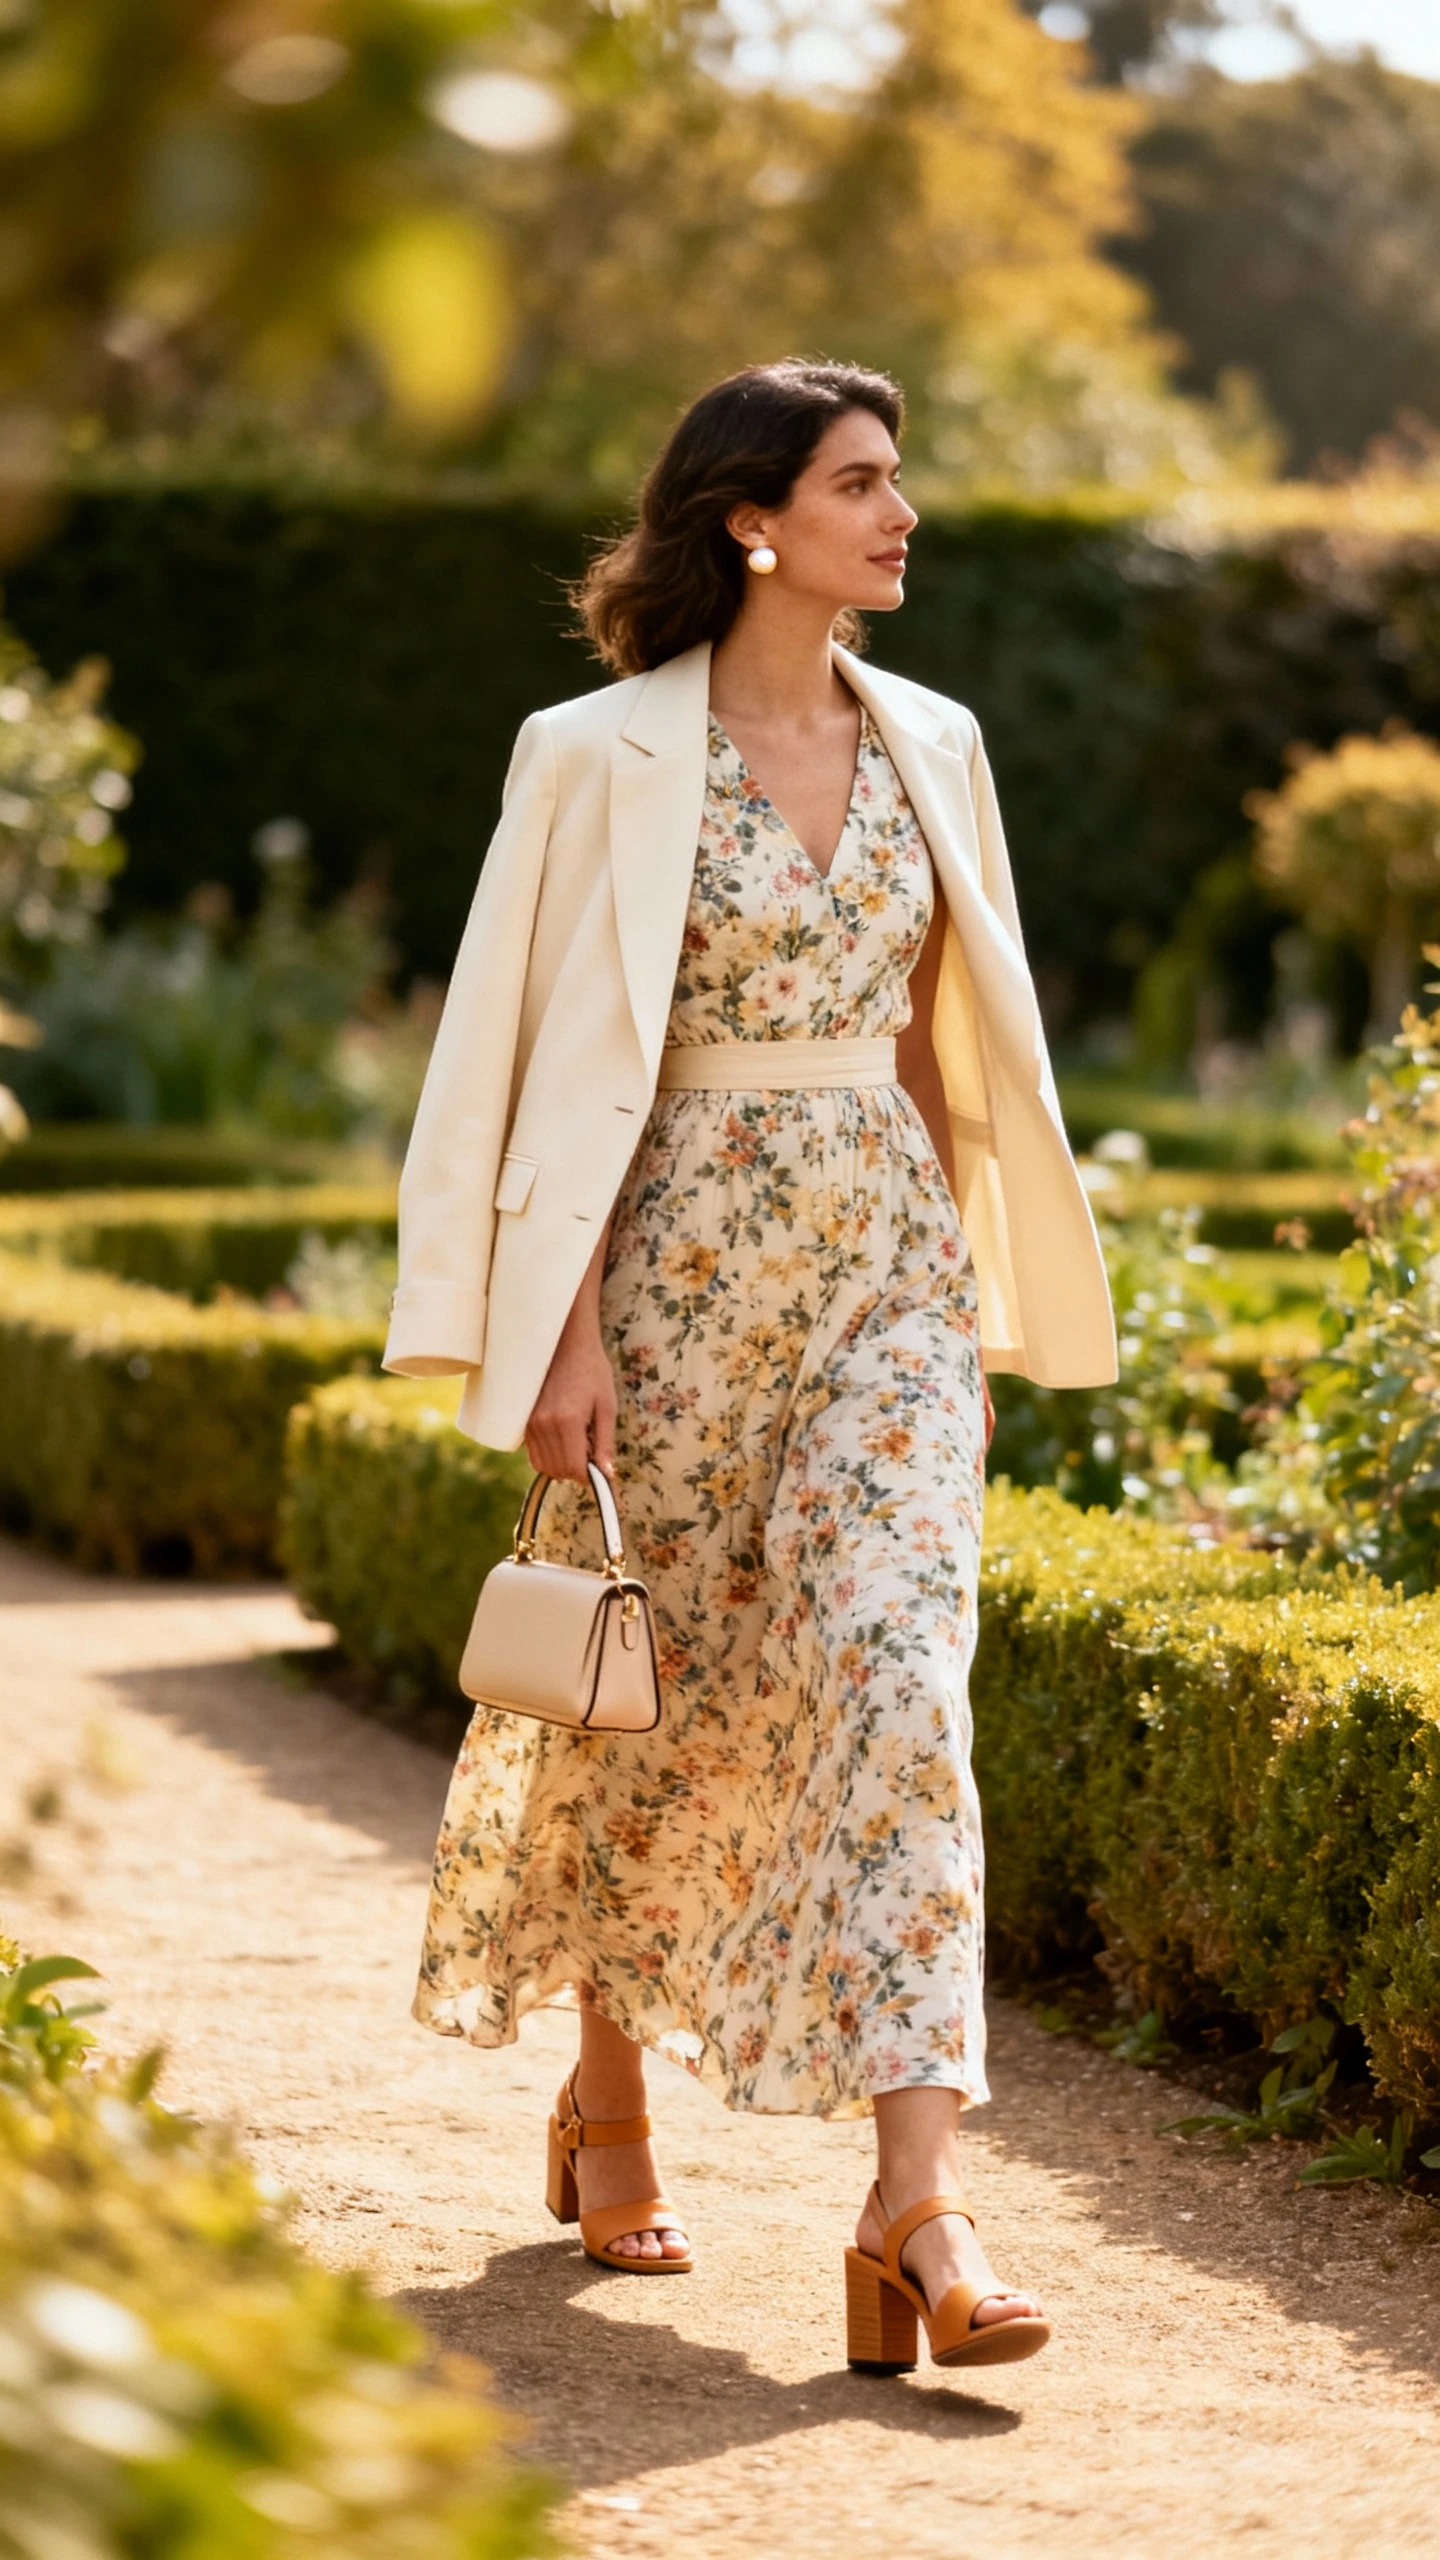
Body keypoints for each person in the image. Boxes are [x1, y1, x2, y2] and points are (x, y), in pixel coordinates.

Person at [384, 359, 1116, 2372]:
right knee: (656, 1697)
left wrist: (952, 1278)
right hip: (675, 1275)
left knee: (897, 1674)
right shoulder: (593, 754)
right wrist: (565, 1321)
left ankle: (921, 2202)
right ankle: (607, 2093)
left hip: (881, 1270)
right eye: (865, 482)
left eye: (902, 480)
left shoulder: (934, 742)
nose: (905, 516)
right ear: (751, 520)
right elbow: (526, 1052)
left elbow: (928, 1044)